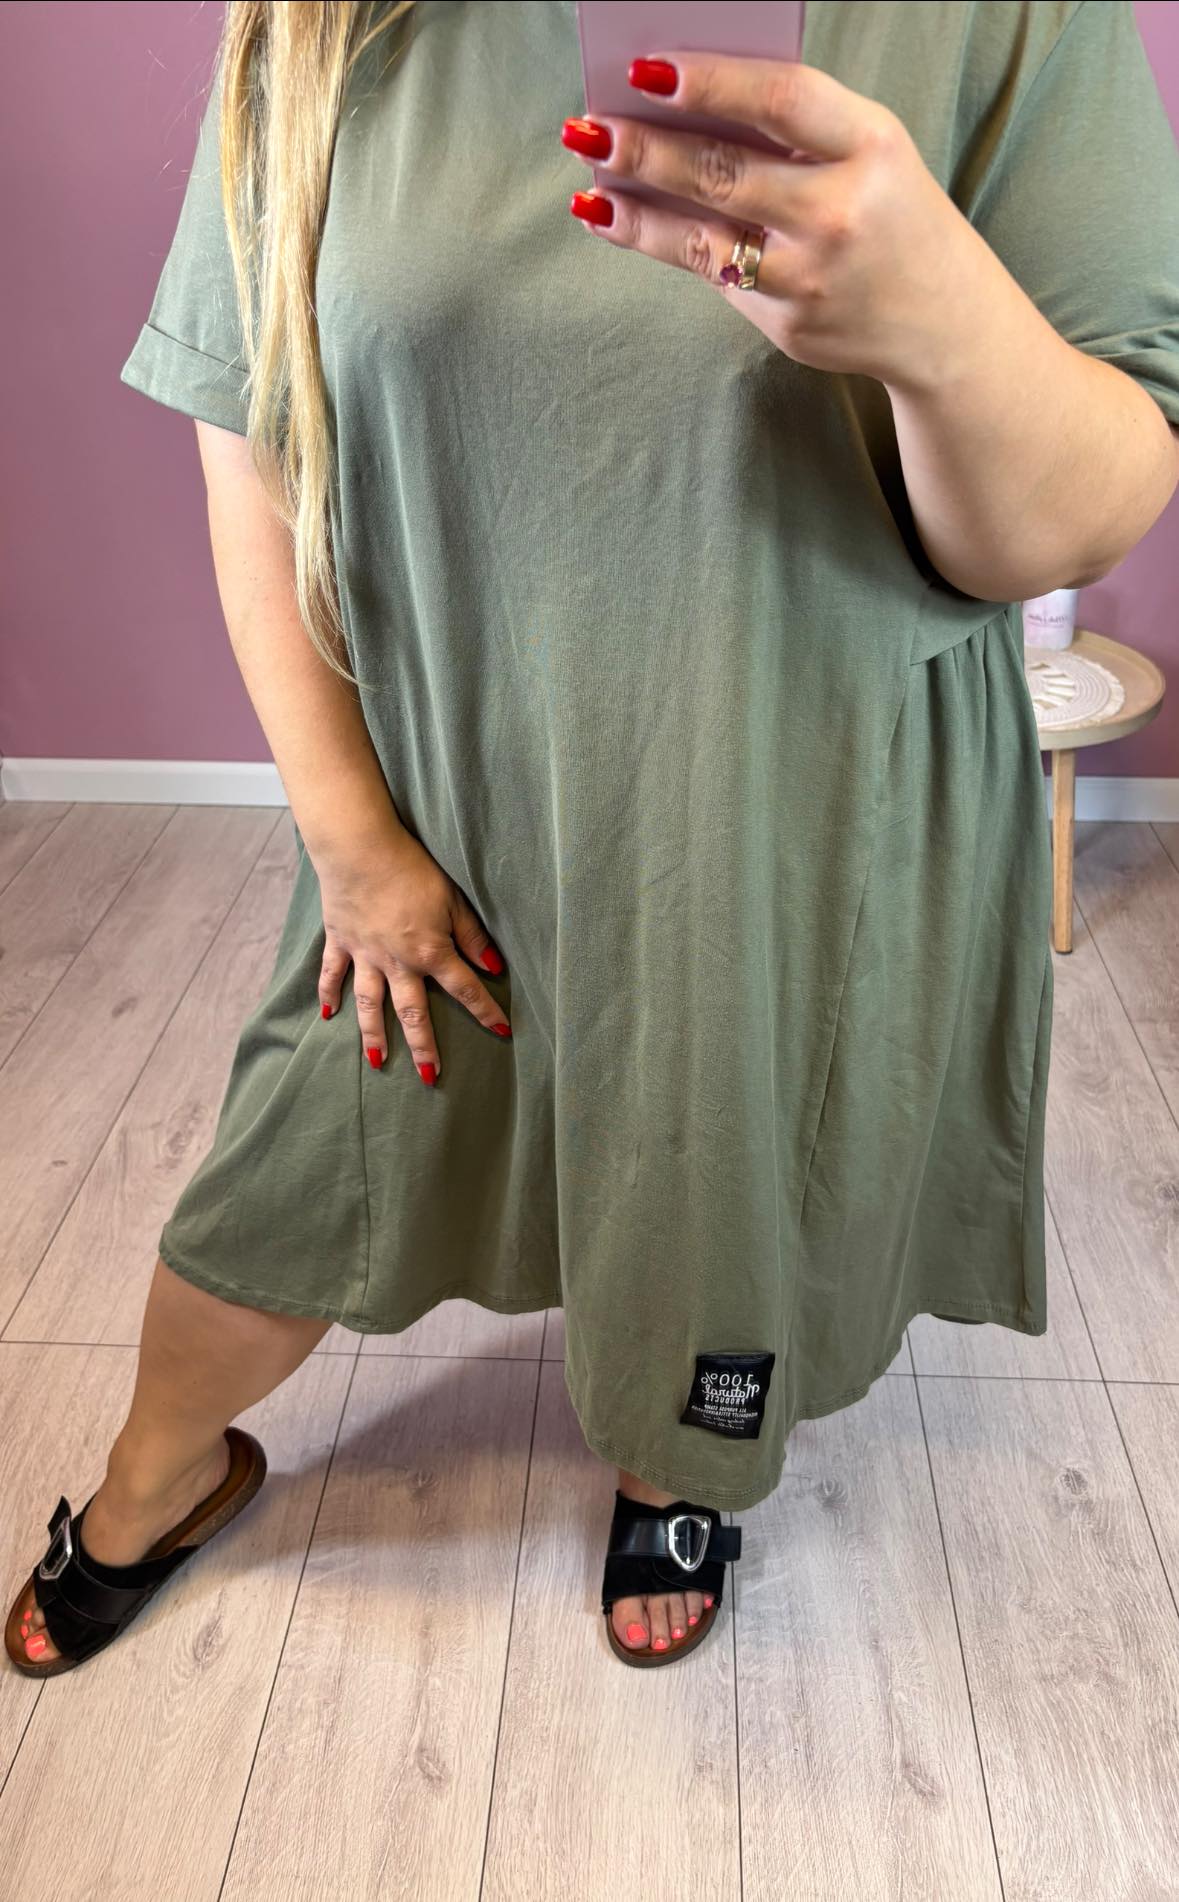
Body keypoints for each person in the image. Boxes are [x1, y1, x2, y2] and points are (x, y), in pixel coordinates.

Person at [7, 0, 1179, 1676]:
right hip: (447, 792)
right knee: (296, 1182)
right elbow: (251, 442)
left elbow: (1080, 508)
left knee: (709, 1193)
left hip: (784, 810)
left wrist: (940, 327)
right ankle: (155, 1473)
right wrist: (349, 835)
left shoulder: (1002, 16)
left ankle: (675, 1464)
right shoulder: (326, 24)